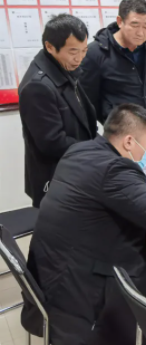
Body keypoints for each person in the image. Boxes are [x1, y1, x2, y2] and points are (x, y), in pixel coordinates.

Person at [22, 104, 146, 345]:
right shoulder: (115, 168)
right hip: (84, 291)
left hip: (53, 276)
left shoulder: (79, 151)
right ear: (129, 141)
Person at [18, 14, 97, 208]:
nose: (79, 58)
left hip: (78, 167)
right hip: (56, 177)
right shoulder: (38, 86)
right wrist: (96, 150)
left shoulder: (65, 68)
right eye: (73, 51)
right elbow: (52, 143)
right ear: (50, 47)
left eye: (84, 50)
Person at [80, 0, 146, 147]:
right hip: (124, 134)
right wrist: (112, 119)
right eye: (134, 25)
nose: (140, 33)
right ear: (120, 21)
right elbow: (88, 100)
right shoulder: (95, 53)